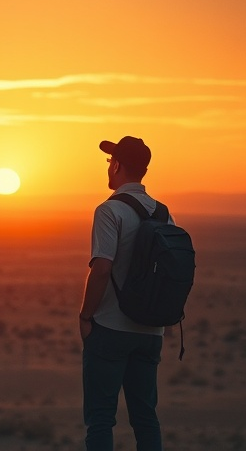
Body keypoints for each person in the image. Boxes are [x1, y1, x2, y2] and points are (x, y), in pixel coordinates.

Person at [80, 136, 173, 451]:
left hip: (111, 329)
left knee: (101, 420)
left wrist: (85, 316)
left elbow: (102, 268)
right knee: (146, 418)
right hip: (151, 331)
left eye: (110, 161)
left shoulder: (109, 211)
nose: (108, 166)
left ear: (117, 165)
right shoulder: (162, 213)